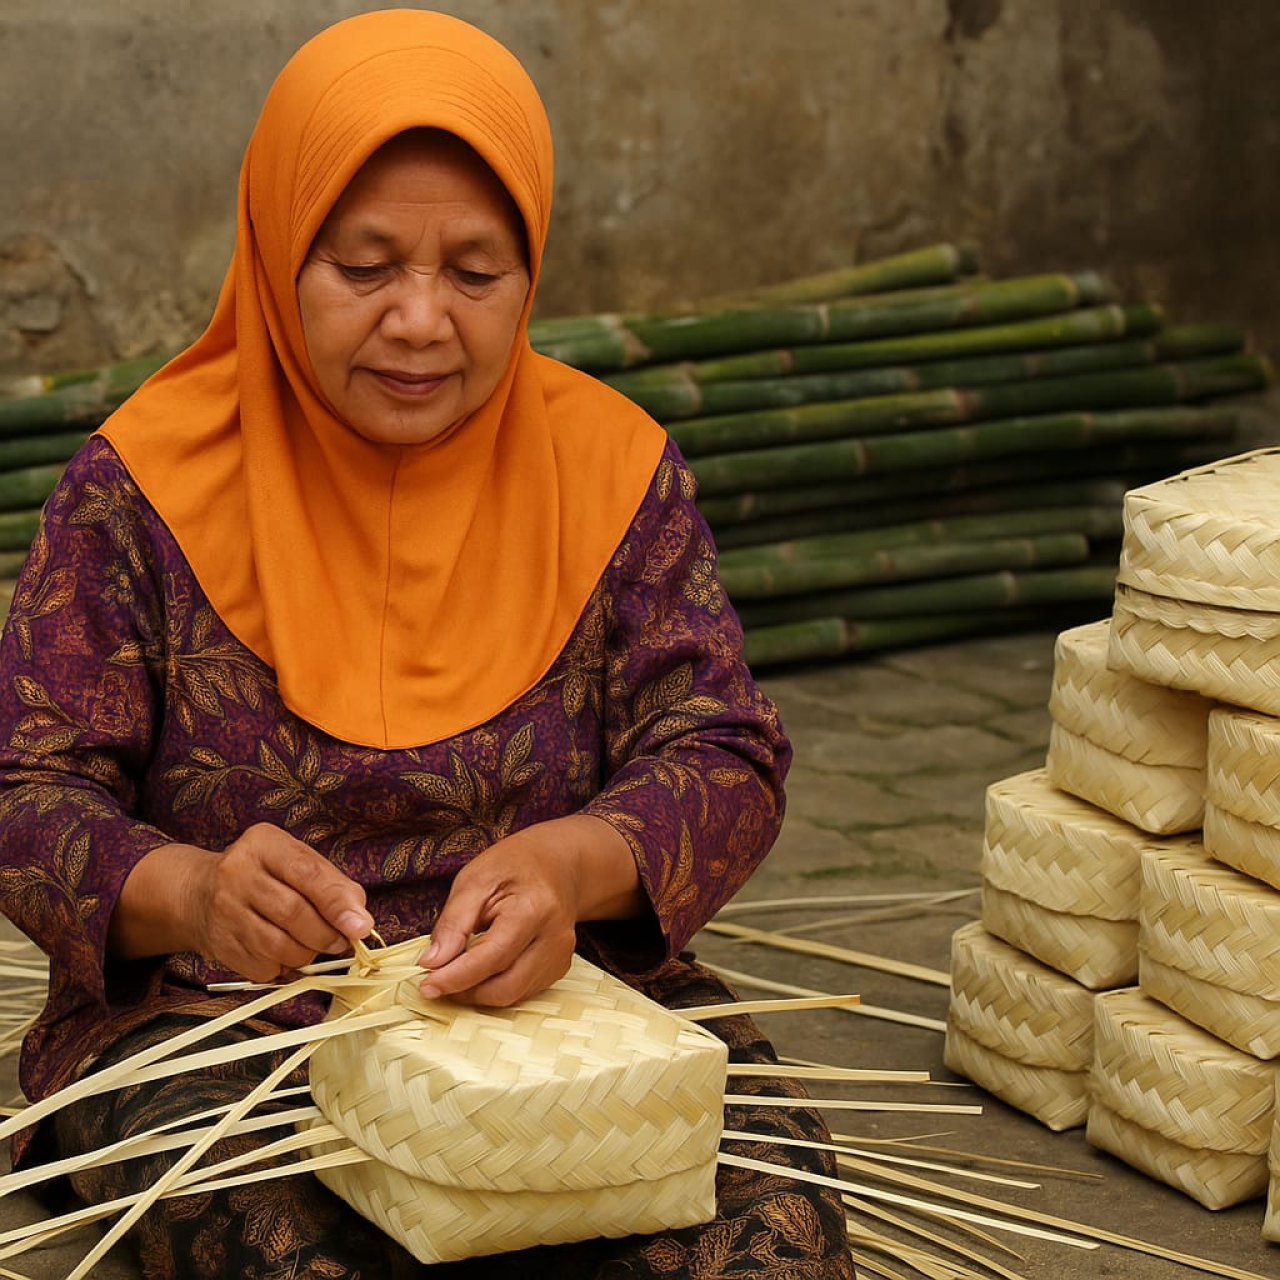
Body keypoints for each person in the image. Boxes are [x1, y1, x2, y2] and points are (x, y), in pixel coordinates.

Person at [0, 10, 856, 1278]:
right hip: (222, 1026)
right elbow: (27, 791)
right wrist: (195, 892)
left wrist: (571, 869)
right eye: (363, 267)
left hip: (558, 1019)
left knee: (771, 1239)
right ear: (281, 251)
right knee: (295, 1254)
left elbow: (722, 749)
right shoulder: (139, 488)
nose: (418, 321)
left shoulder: (612, 470)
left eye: (473, 270)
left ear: (533, 266)